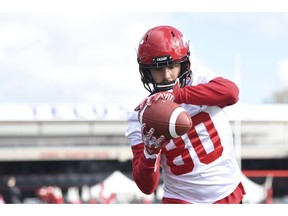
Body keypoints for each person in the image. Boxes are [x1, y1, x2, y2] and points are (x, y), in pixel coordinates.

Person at [125, 25, 246, 204]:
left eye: (172, 65)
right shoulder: (140, 116)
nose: (167, 75)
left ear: (183, 63)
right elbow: (146, 187)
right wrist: (150, 153)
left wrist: (178, 95)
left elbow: (232, 93)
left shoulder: (199, 79)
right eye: (158, 69)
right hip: (182, 200)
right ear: (146, 71)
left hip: (226, 192)